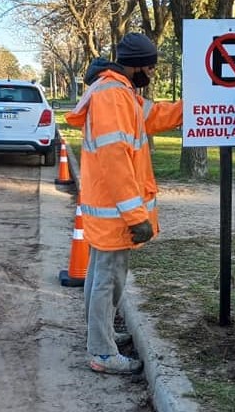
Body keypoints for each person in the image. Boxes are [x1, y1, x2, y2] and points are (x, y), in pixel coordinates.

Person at [65, 32, 183, 373]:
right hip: (116, 210)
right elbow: (116, 161)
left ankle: (99, 335)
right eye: (150, 67)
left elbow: (155, 115)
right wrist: (136, 217)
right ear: (139, 65)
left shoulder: (119, 92)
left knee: (100, 273)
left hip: (106, 205)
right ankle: (102, 352)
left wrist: (198, 107)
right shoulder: (113, 96)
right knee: (108, 277)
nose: (152, 73)